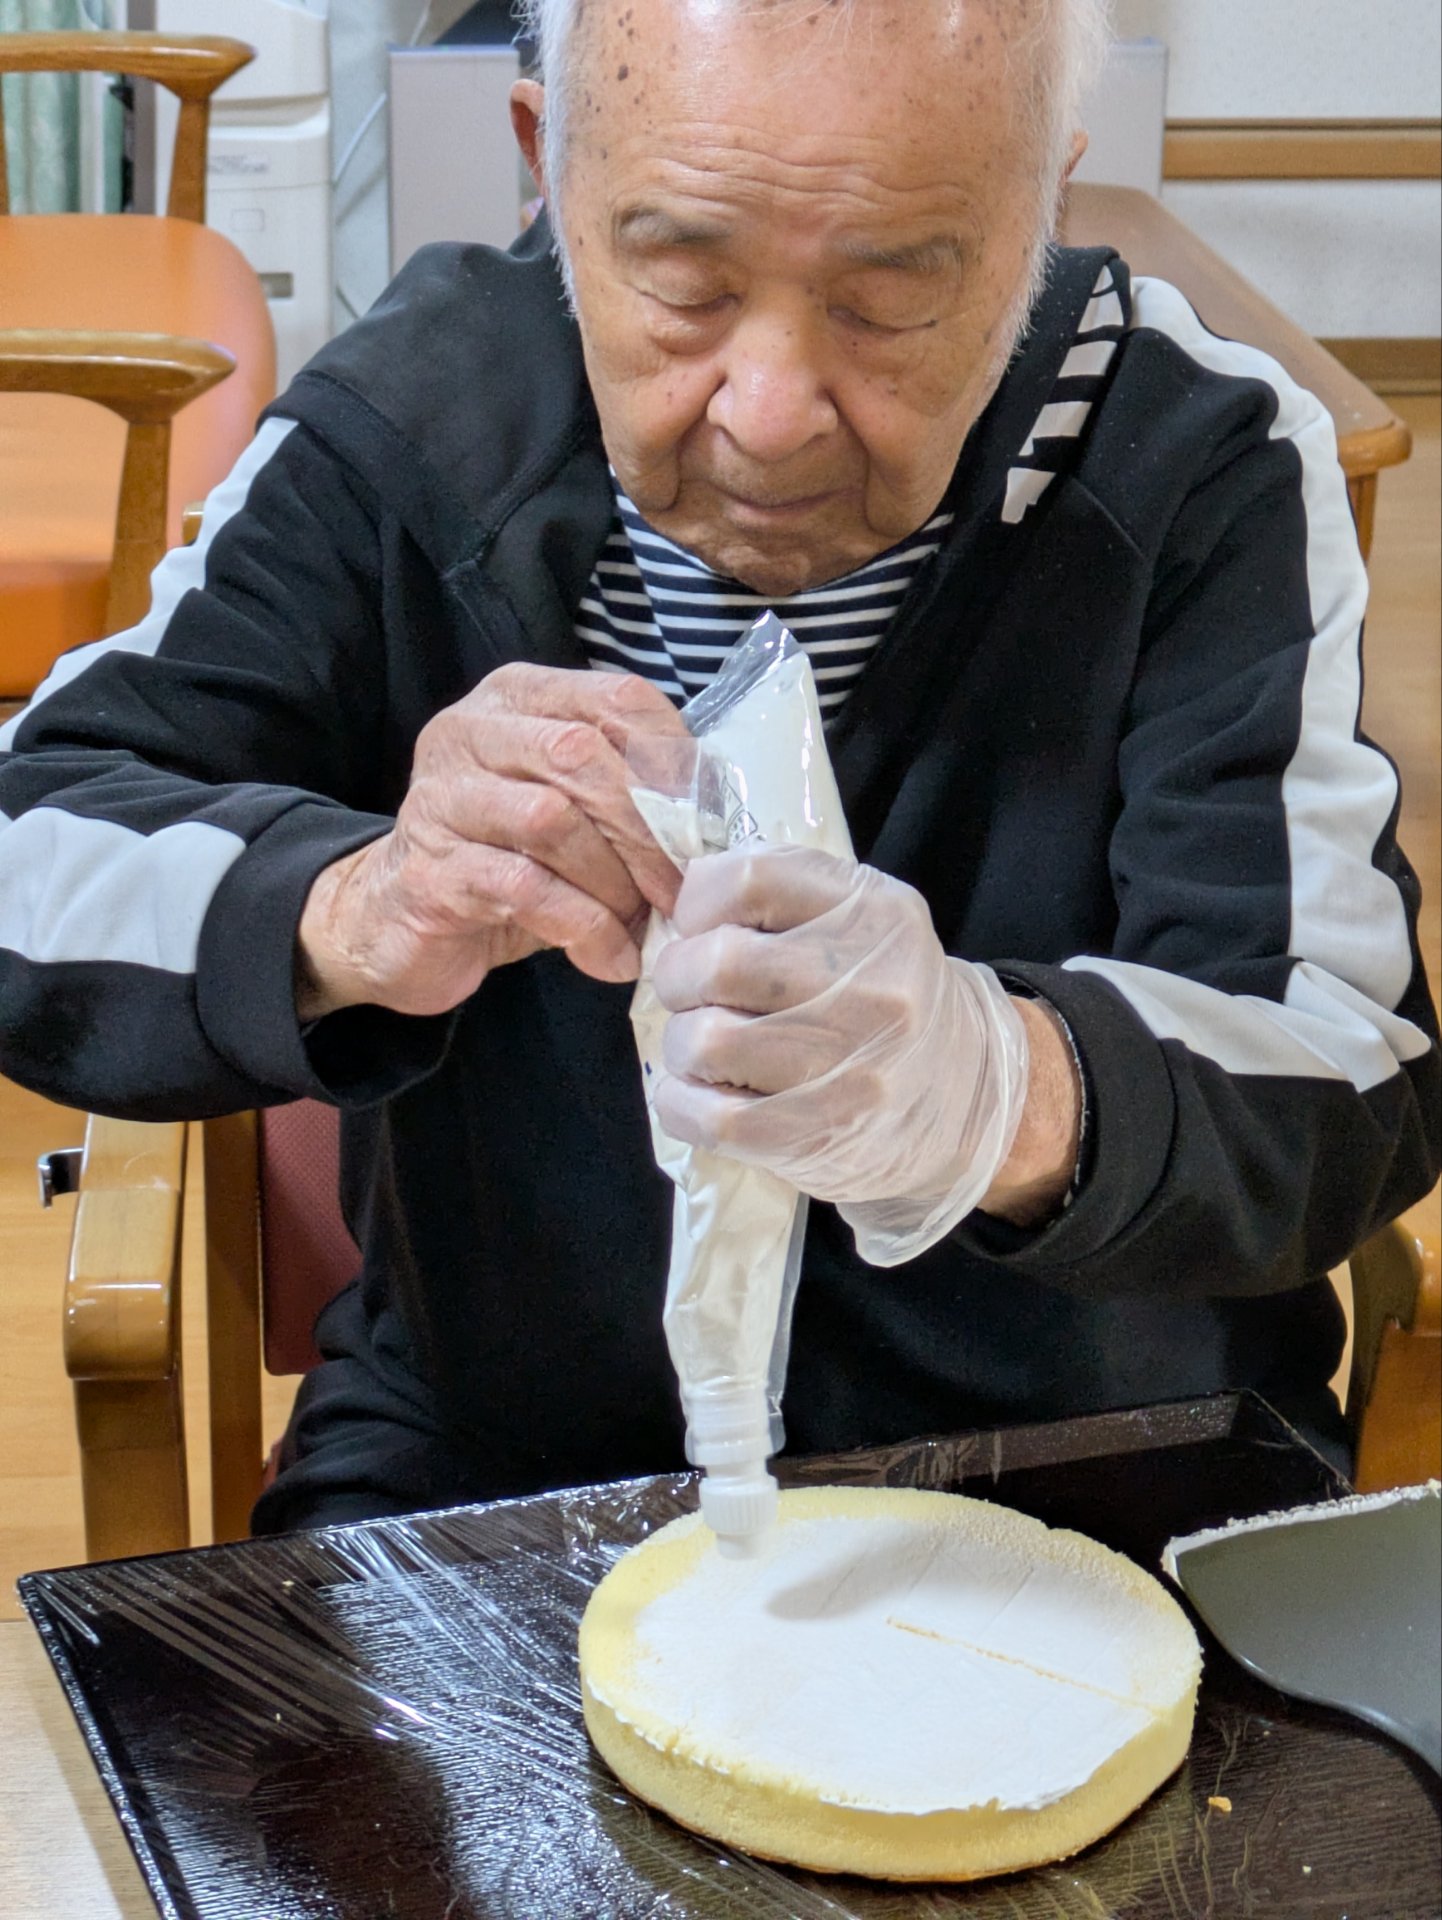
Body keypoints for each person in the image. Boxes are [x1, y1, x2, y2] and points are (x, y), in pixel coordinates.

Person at [1, 0, 1436, 1528]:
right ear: (545, 167)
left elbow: (1352, 1079)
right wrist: (358, 904)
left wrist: (995, 1091)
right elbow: (35, 840)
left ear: (1043, 204)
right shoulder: (409, 432)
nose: (767, 420)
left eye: (892, 298)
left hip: (1098, 1451)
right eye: (680, 284)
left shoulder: (1198, 457)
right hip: (511, 1458)